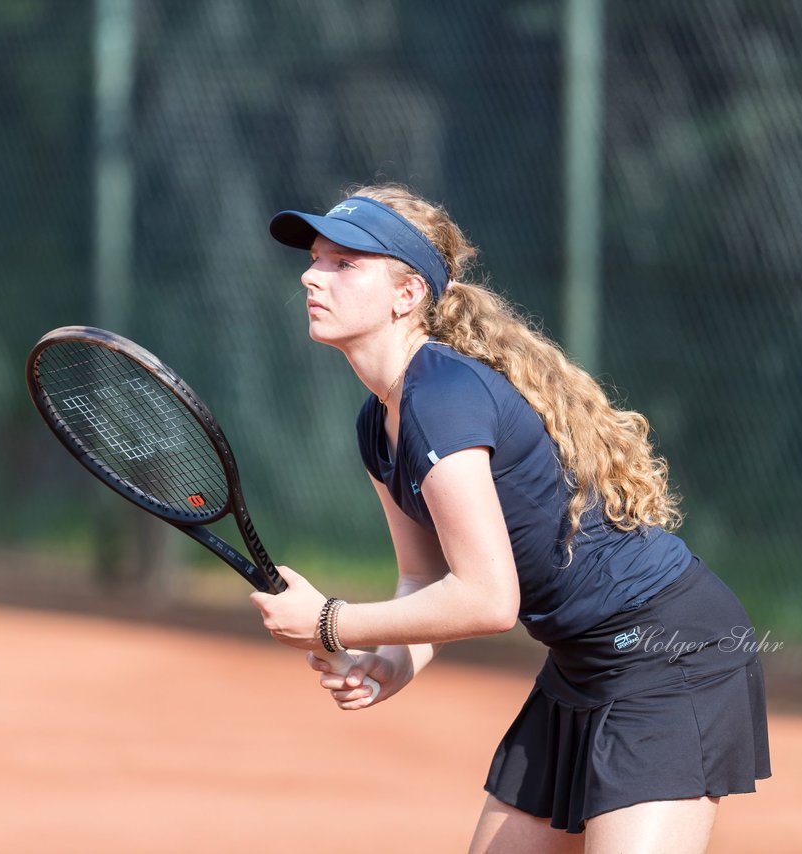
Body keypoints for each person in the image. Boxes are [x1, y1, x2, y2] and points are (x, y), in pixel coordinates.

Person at [250, 184, 771, 853]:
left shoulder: (442, 394)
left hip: (670, 653)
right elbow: (423, 579)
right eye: (316, 258)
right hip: (580, 664)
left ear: (407, 296)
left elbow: (489, 599)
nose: (311, 274)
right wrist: (390, 661)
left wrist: (331, 621)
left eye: (344, 263)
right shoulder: (378, 425)